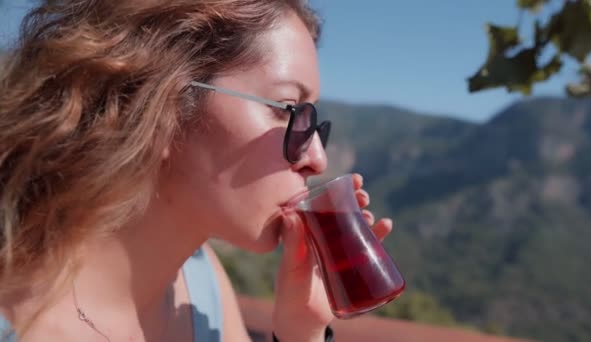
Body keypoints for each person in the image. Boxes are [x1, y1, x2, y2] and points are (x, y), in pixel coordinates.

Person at [0, 0, 394, 341]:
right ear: (164, 107)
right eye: (288, 110)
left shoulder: (203, 288)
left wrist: (300, 329)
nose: (317, 157)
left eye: (314, 122)